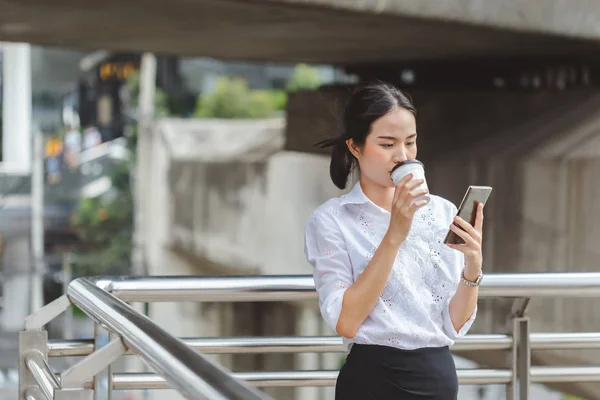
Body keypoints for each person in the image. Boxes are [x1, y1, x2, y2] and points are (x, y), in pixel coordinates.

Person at [304, 81, 484, 400]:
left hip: (438, 377)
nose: (402, 157)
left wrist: (473, 266)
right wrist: (394, 235)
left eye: (410, 143)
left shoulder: (442, 212)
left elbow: (453, 324)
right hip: (372, 380)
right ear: (355, 147)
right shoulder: (332, 219)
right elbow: (346, 322)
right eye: (387, 145)